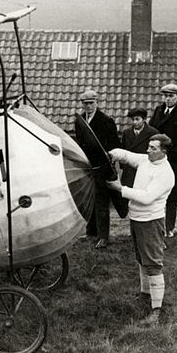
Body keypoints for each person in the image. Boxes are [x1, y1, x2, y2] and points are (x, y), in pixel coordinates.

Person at [107, 134, 175, 325]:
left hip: (151, 222)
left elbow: (146, 197)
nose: (148, 150)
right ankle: (146, 295)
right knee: (141, 260)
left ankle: (157, 310)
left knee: (153, 264)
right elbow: (128, 156)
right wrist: (111, 154)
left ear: (164, 151)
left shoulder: (166, 173)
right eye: (149, 146)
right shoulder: (146, 160)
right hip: (136, 219)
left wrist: (120, 189)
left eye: (153, 148)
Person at [73, 89, 120, 249]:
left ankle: (103, 236)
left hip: (102, 167)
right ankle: (91, 232)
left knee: (102, 201)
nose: (88, 106)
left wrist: (108, 157)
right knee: (90, 199)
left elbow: (114, 145)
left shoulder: (106, 121)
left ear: (97, 103)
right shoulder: (80, 122)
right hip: (88, 167)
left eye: (91, 103)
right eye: (85, 104)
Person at [149, 83, 177, 238]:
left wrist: (171, 153)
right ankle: (155, 225)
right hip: (156, 160)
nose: (167, 99)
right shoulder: (158, 111)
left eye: (171, 96)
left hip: (173, 162)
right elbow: (151, 131)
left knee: (171, 196)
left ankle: (169, 228)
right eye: (165, 96)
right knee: (155, 192)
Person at [120, 107, 159, 188]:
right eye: (132, 119)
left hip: (145, 170)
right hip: (129, 171)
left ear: (144, 119)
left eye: (137, 119)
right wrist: (124, 166)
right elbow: (123, 150)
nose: (134, 122)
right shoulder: (126, 133)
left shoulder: (153, 133)